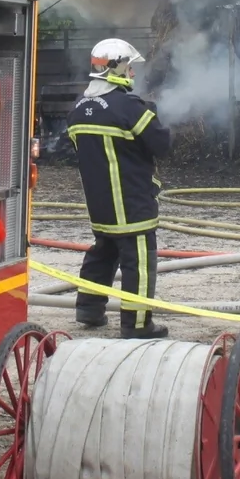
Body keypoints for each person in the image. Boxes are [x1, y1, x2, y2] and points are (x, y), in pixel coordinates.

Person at [66, 38, 172, 339]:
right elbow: (161, 144)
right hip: (132, 201)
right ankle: (137, 325)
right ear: (114, 69)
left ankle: (89, 308)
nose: (132, 74)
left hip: (100, 204)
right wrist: (154, 114)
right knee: (138, 261)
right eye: (128, 67)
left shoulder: (79, 108)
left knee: (103, 251)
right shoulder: (130, 108)